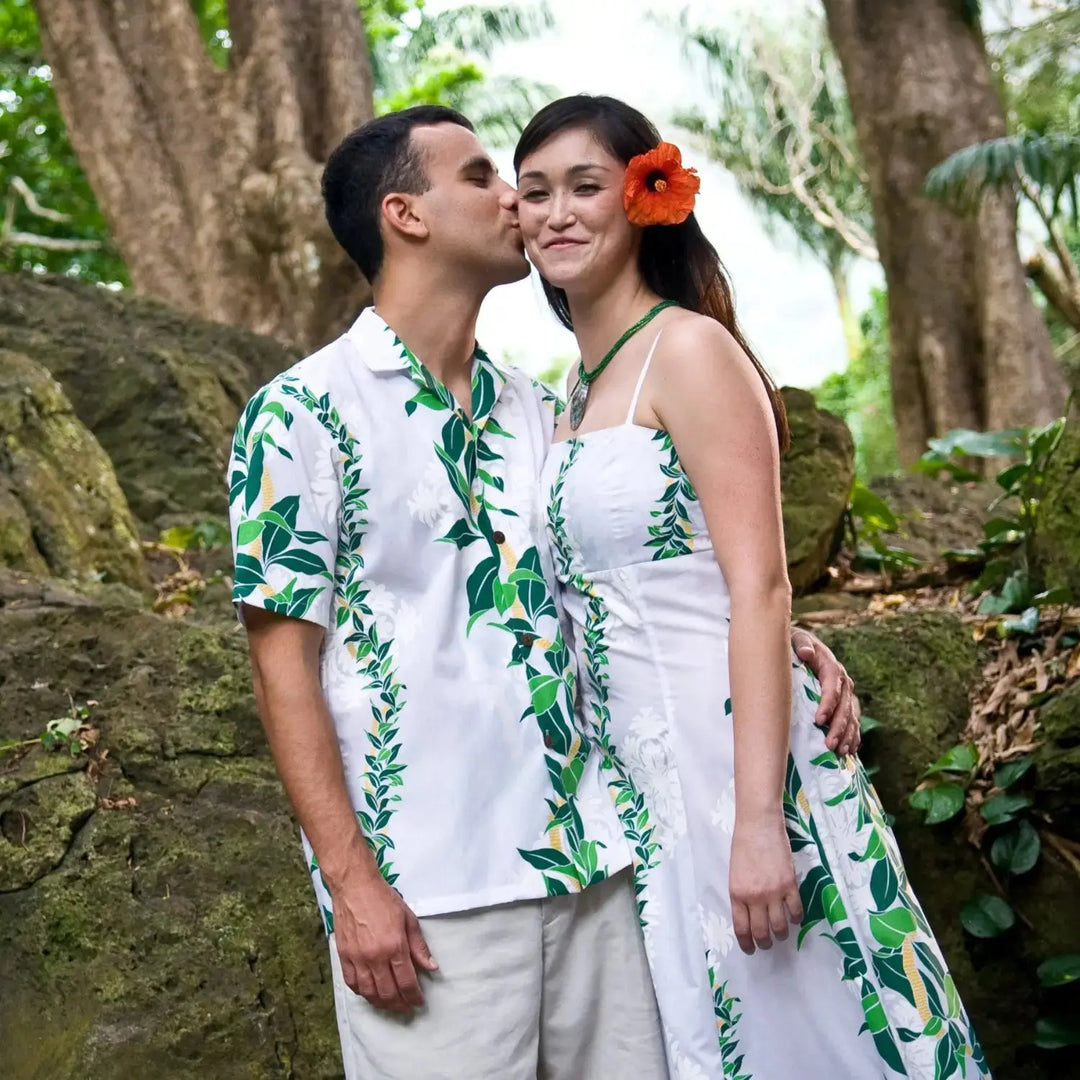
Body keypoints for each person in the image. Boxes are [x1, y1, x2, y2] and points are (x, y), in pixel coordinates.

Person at [227, 103, 862, 1080]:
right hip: (432, 901)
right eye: (486, 177)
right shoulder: (300, 414)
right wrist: (353, 887)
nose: (518, 202)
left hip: (600, 874)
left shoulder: (540, 410)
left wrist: (779, 639)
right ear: (407, 215)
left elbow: (627, 570)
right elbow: (283, 669)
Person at [514, 94, 990, 1080]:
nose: (556, 212)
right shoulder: (578, 389)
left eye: (585, 186)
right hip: (644, 791)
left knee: (815, 1035)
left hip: (736, 768)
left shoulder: (688, 350)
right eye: (534, 192)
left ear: (645, 199)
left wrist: (761, 823)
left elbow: (759, 584)